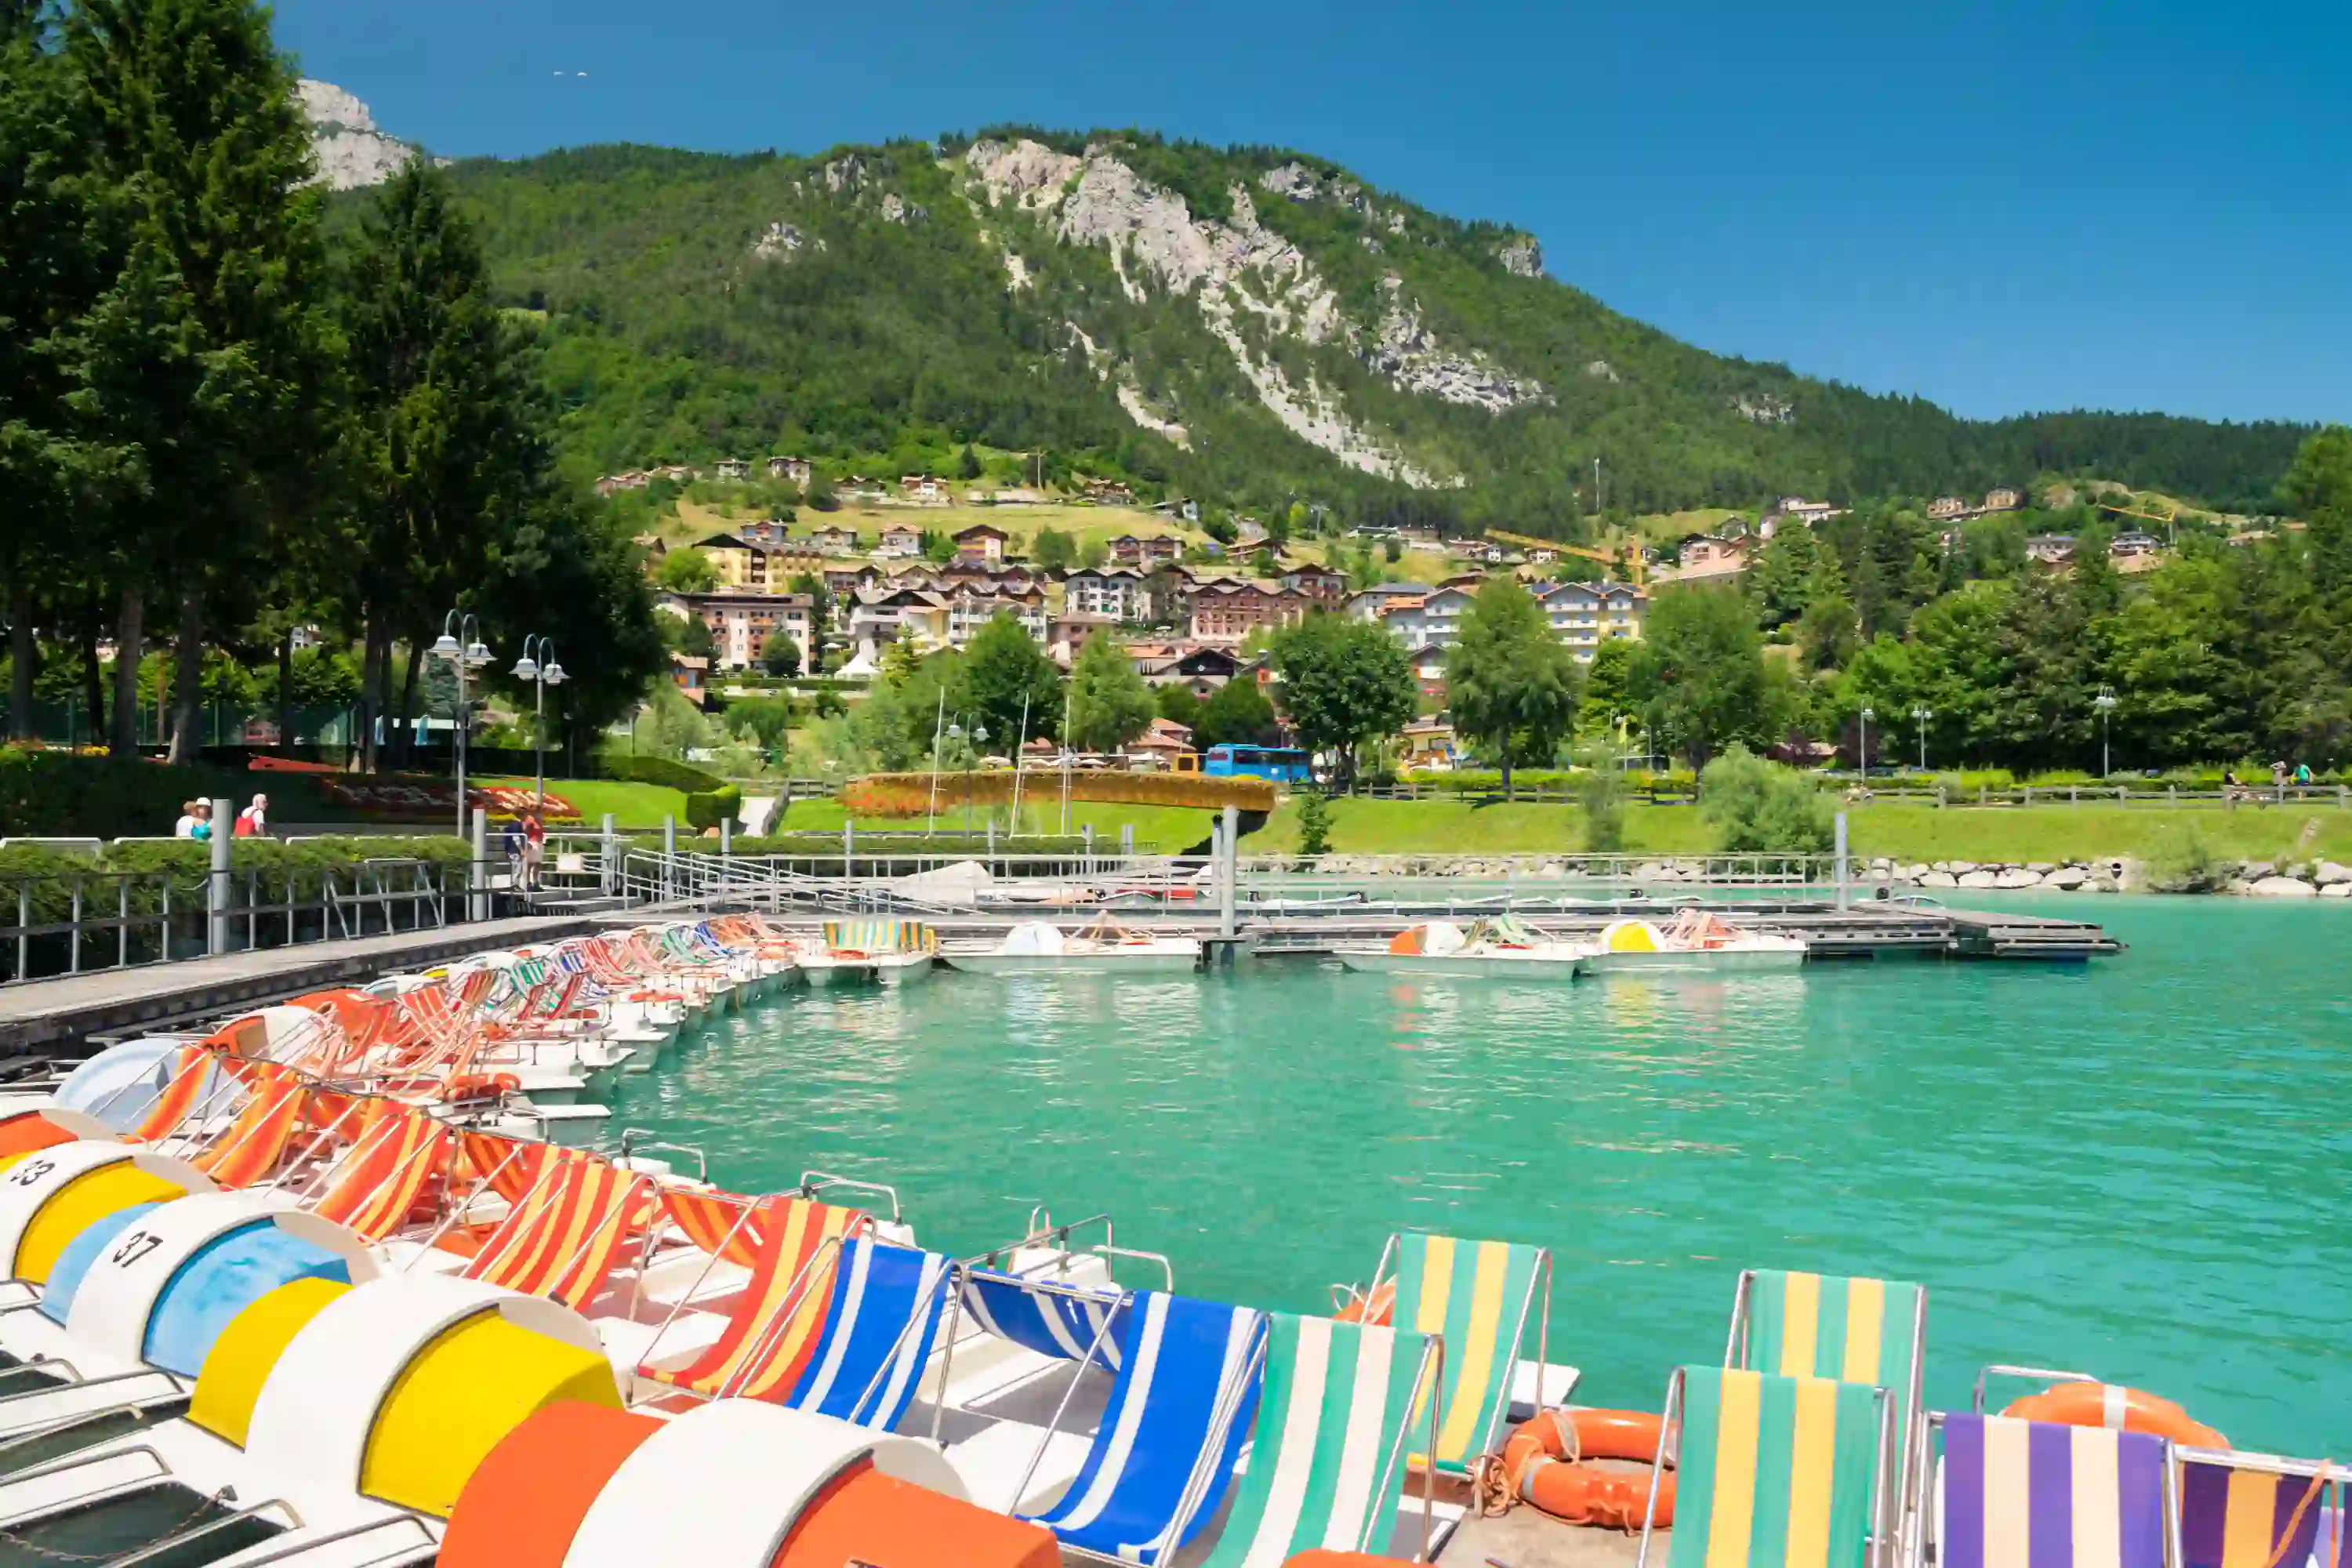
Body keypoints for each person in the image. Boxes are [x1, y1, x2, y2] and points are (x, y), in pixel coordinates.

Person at [521, 811, 546, 891]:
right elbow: (525, 829)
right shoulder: (530, 819)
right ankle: (528, 883)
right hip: (532, 843)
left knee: (538, 864)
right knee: (530, 864)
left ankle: (536, 882)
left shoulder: (539, 819)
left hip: (539, 843)